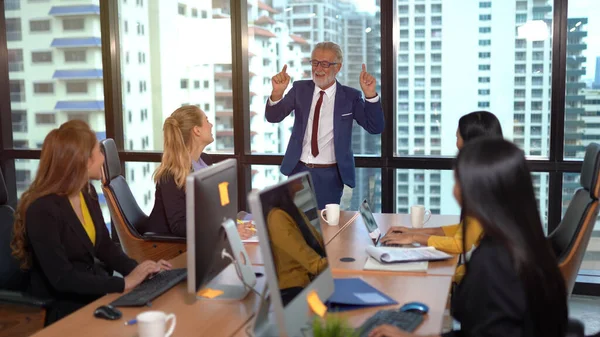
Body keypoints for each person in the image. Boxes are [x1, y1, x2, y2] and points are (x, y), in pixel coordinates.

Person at [368, 138, 568, 337]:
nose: (454, 189)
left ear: (476, 190)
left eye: (458, 181)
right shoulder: (528, 241)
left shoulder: (494, 261)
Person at [10, 120, 171, 325]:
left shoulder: (87, 193)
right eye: (99, 152)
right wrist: (122, 284)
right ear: (83, 161)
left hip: (95, 294)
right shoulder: (42, 210)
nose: (104, 158)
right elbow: (63, 278)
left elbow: (105, 247)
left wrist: (140, 271)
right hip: (64, 308)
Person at [266, 41, 385, 209]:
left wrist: (370, 95)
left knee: (326, 228)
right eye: (314, 63)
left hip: (330, 176)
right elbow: (273, 117)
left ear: (338, 67)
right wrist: (277, 93)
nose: (318, 69)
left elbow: (375, 127)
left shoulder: (350, 97)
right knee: (296, 226)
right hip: (298, 171)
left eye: (325, 64)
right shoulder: (300, 89)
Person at [381, 111, 503, 255]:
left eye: (457, 137)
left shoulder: (483, 191)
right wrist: (415, 232)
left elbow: (460, 244)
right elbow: (464, 230)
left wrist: (414, 237)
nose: (456, 144)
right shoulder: (494, 179)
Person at [140, 105, 214, 237]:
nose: (211, 125)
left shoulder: (205, 161)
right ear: (196, 130)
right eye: (207, 121)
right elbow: (179, 227)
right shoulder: (171, 175)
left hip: (199, 240)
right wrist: (218, 228)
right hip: (167, 247)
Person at [264, 178, 328, 306]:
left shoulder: (291, 209)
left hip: (311, 281)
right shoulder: (278, 218)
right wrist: (339, 258)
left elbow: (320, 244)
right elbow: (315, 266)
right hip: (297, 291)